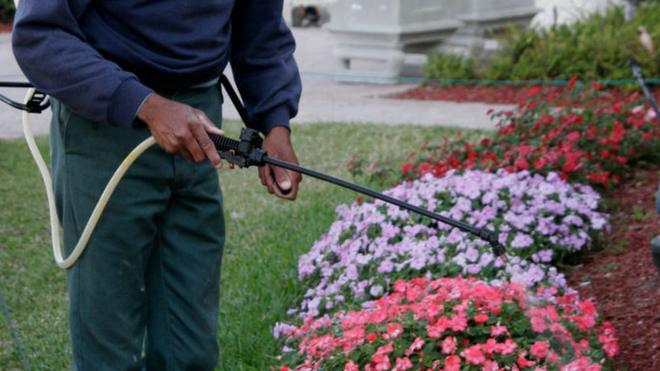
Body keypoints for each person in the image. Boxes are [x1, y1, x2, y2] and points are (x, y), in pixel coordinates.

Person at [12, 1, 302, 370]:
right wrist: (146, 105)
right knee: (110, 341)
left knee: (191, 348)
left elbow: (260, 31)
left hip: (200, 127)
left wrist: (276, 123)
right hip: (107, 124)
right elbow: (40, 35)